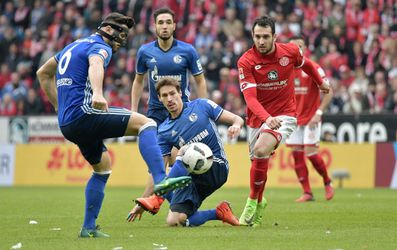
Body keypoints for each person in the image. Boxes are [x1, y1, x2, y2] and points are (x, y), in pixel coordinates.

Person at [36, 12, 191, 238]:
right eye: (121, 33)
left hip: (67, 123)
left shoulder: (73, 46)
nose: (123, 39)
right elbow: (96, 63)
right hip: (84, 113)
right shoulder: (101, 46)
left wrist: (59, 108)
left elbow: (43, 73)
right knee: (146, 124)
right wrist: (98, 93)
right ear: (108, 30)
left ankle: (88, 228)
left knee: (102, 168)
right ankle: (160, 180)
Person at [237, 16, 331, 227]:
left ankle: (251, 202)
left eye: (265, 37)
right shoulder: (246, 61)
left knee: (261, 150)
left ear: (274, 37)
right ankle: (260, 202)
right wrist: (266, 118)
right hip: (258, 117)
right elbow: (250, 99)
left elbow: (307, 65)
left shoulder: (289, 51)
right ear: (252, 36)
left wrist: (320, 82)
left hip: (285, 115)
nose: (261, 41)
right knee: (258, 161)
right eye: (257, 36)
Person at [126, 78, 244, 227]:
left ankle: (158, 199)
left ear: (180, 93)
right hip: (192, 178)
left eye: (172, 93)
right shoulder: (163, 131)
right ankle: (219, 212)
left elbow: (237, 118)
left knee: (184, 150)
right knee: (175, 220)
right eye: (164, 96)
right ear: (160, 99)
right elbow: (158, 173)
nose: (169, 99)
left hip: (216, 167)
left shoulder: (201, 105)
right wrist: (143, 202)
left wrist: (236, 125)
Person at [131, 7, 207, 126]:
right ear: (155, 26)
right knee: (154, 144)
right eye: (160, 23)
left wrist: (204, 109)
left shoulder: (188, 50)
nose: (165, 26)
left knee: (183, 145)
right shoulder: (144, 51)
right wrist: (134, 111)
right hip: (155, 112)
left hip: (182, 109)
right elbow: (138, 81)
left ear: (174, 26)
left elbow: (200, 80)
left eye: (168, 22)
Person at [285, 36, 335, 202]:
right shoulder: (285, 70)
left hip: (311, 118)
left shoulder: (312, 67)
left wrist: (319, 113)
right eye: (293, 47)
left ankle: (327, 182)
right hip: (293, 119)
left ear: (305, 48)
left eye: (300, 46)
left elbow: (329, 91)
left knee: (311, 154)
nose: (297, 49)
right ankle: (307, 192)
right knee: (297, 155)